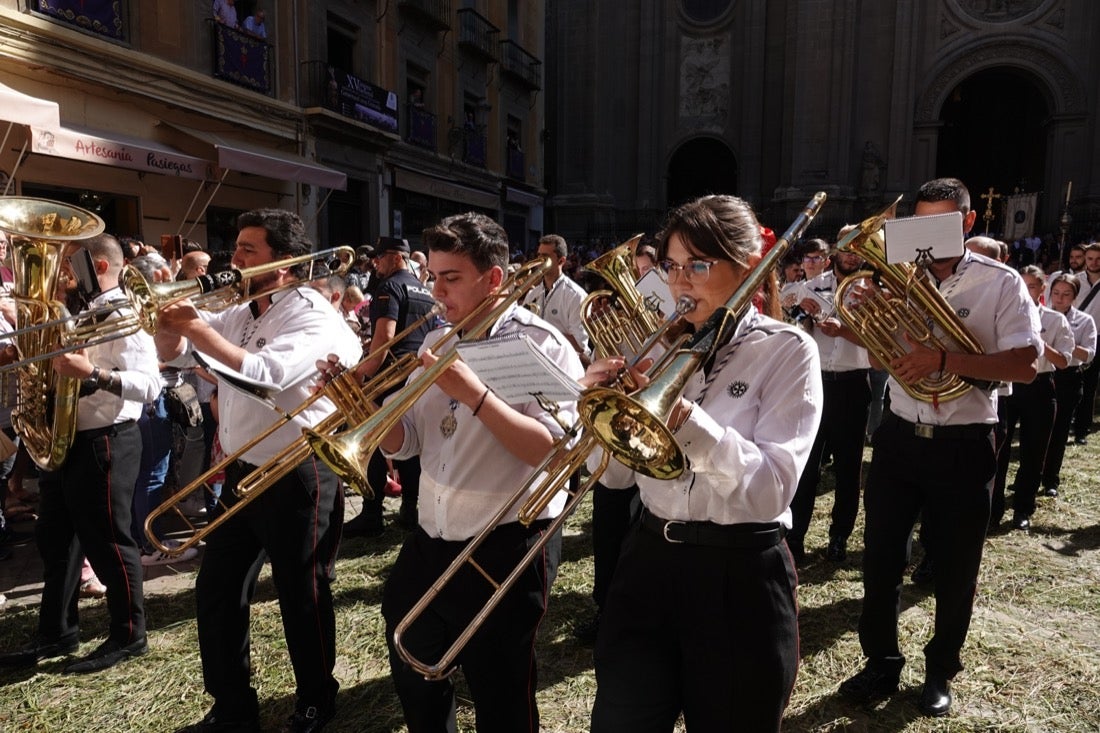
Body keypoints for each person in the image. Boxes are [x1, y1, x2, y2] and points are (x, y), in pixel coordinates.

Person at [588, 195, 822, 732]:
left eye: (698, 265)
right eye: (672, 266)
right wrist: (605, 417)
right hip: (647, 562)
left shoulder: (787, 350)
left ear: (747, 267)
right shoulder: (659, 348)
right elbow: (621, 476)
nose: (679, 283)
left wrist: (686, 421)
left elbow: (770, 492)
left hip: (738, 575)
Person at [371, 212, 584, 732]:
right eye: (434, 276)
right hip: (432, 534)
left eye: (452, 278)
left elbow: (555, 453)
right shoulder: (437, 341)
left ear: (493, 279)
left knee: (501, 688)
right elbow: (411, 440)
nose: (437, 291)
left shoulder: (542, 345)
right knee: (412, 654)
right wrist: (371, 417)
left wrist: (475, 395)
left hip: (505, 541)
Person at [839, 177, 1043, 717]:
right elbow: (885, 349)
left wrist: (946, 361)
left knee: (955, 567)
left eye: (942, 223)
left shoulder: (1001, 283)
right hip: (901, 437)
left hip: (965, 442)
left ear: (968, 222)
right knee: (880, 560)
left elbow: (1025, 363)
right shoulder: (900, 275)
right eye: (920, 224)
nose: (928, 237)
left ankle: (939, 669)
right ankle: (880, 661)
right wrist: (861, 314)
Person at [155, 209, 361, 733]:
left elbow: (265, 376)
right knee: (217, 589)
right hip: (243, 467)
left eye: (249, 249)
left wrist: (196, 326)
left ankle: (317, 698)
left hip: (299, 469)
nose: (235, 258)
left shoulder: (312, 313)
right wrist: (169, 327)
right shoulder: (244, 307)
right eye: (237, 246)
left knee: (302, 591)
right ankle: (232, 704)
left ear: (285, 262)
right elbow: (176, 358)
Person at [0, 234, 160, 674]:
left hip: (108, 439)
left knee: (109, 542)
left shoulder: (123, 312)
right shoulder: (87, 310)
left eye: (72, 265)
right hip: (71, 441)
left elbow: (150, 385)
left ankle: (130, 633)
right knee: (58, 541)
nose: (66, 274)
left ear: (99, 267)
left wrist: (93, 374)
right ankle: (57, 633)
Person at [787, 231, 870, 563]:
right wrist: (802, 315)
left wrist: (845, 331)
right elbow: (793, 328)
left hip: (852, 382)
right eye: (847, 250)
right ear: (835, 250)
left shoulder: (871, 289)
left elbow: (881, 342)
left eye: (858, 251)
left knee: (849, 468)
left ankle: (839, 538)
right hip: (816, 381)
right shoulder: (810, 283)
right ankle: (795, 539)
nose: (851, 257)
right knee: (807, 464)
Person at [344, 236, 435, 536]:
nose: (375, 264)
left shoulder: (389, 286)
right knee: (409, 444)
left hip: (390, 374)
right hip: (418, 372)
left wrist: (361, 375)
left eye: (379, 258)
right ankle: (410, 508)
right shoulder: (424, 289)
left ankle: (372, 513)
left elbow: (385, 337)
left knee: (372, 441)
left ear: (396, 257)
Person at [991, 266, 1073, 531]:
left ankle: (1023, 509)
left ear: (1042, 289)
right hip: (1009, 384)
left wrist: (1040, 343)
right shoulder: (1003, 315)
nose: (1027, 291)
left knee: (1033, 451)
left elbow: (1063, 362)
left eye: (1033, 286)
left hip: (1040, 386)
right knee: (999, 451)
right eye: (1022, 285)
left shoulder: (1055, 319)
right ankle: (993, 511)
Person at [1042, 274, 1097, 498]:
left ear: (1074, 297)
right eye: (1056, 293)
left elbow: (1089, 355)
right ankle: (1030, 475)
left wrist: (1067, 342)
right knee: (1036, 432)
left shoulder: (1084, 320)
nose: (1060, 299)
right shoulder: (1041, 317)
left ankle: (1050, 479)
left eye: (1066, 295)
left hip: (1068, 377)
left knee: (1059, 431)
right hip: (1044, 376)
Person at [520, 234, 591, 364]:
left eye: (545, 257)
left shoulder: (577, 295)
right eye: (539, 256)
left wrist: (543, 332)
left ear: (561, 261)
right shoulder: (532, 294)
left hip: (563, 364)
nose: (540, 261)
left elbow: (580, 346)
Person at [1070, 242, 1100, 444]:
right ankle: (1065, 421)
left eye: (1098, 259)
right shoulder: (1075, 281)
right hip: (1074, 335)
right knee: (1069, 381)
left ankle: (1082, 428)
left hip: (1098, 337)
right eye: (1089, 258)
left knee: (1090, 384)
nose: (1093, 263)